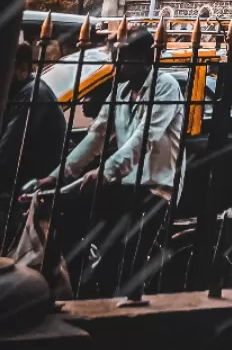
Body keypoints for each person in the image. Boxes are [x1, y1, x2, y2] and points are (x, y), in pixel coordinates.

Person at [34, 28, 184, 296]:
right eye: (117, 57)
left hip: (154, 187)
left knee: (124, 263)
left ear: (144, 58)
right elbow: (96, 137)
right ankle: (79, 283)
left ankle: (120, 297)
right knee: (63, 210)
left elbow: (143, 139)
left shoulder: (166, 86)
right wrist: (58, 175)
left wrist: (105, 171)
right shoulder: (122, 90)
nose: (118, 64)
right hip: (124, 184)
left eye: (124, 57)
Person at [0, 42, 65, 246]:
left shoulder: (32, 94)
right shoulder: (19, 91)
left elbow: (9, 152)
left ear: (20, 68)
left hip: (26, 192)